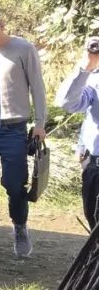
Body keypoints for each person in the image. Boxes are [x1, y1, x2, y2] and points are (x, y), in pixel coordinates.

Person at [0, 7, 47, 258]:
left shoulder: (23, 49)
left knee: (15, 184)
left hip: (14, 127)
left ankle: (20, 227)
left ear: (0, 25)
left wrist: (40, 122)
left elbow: (37, 87)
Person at [54, 37, 99, 228]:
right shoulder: (94, 79)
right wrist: (86, 67)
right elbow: (67, 103)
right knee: (93, 215)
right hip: (95, 162)